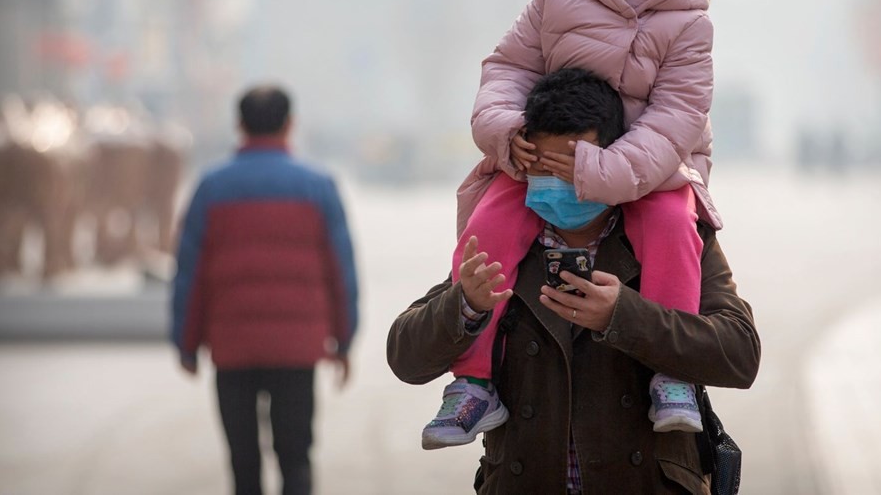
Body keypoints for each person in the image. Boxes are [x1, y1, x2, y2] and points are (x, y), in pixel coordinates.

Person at [423, 0, 721, 448]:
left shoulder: (691, 20)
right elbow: (508, 68)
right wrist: (511, 135)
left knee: (669, 226)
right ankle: (473, 384)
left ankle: (673, 379)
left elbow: (678, 116)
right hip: (549, 156)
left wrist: (601, 171)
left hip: (650, 169)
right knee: (489, 221)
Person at [388, 69, 760, 493]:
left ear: (613, 160)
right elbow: (405, 356)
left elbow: (739, 353)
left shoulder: (675, 235)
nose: (558, 186)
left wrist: (624, 316)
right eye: (543, 171)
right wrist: (466, 304)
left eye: (572, 168)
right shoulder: (503, 245)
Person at [170, 85, 359, 495]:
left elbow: (188, 273)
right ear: (290, 124)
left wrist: (185, 343)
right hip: (297, 350)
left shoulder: (210, 188)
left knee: (243, 463)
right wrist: (344, 340)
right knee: (296, 458)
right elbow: (340, 270)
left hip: (232, 348)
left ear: (239, 125)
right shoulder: (318, 187)